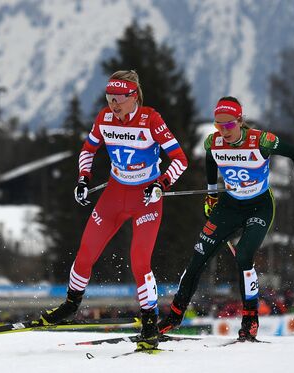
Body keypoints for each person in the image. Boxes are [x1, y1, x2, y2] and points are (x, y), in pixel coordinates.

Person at [34, 70, 188, 350]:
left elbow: (179, 159)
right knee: (85, 253)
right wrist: (83, 179)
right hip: (114, 194)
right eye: (109, 97)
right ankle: (70, 305)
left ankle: (150, 323)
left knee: (139, 261)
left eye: (118, 98)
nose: (113, 104)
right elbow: (87, 150)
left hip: (145, 199)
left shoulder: (151, 119)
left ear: (133, 97)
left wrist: (161, 184)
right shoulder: (104, 118)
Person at [158, 96, 294, 341]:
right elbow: (210, 158)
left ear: (240, 121)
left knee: (243, 255)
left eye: (229, 125)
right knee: (198, 257)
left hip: (259, 207)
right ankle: (174, 316)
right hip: (229, 206)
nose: (224, 130)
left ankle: (250, 320)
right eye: (218, 125)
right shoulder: (214, 141)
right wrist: (211, 194)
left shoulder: (261, 141)